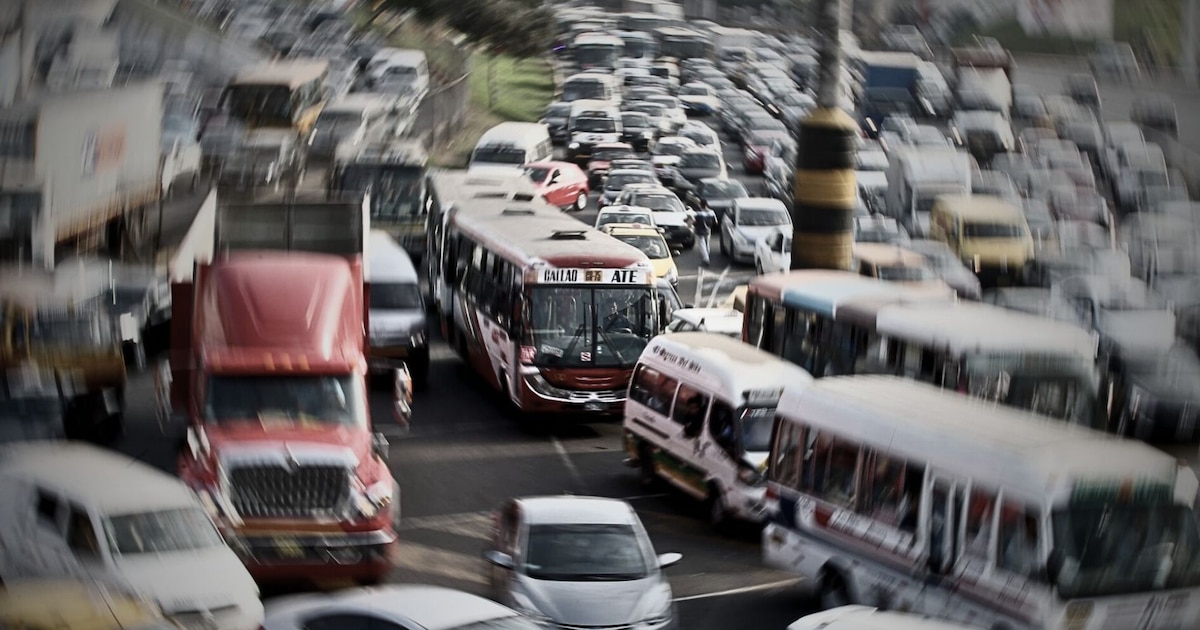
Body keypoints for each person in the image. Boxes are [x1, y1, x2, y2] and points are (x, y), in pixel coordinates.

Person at [694, 199, 716, 266]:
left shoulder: (698, 213)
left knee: (702, 245)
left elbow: (694, 222)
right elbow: (715, 222)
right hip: (708, 230)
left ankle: (706, 259)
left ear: (700, 205)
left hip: (699, 231)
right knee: (707, 244)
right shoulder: (711, 212)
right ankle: (706, 256)